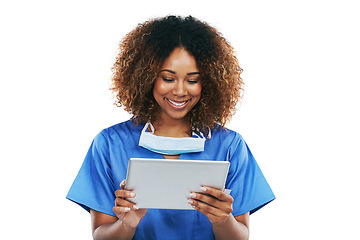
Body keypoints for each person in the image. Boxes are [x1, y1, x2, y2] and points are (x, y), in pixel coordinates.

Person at [67, 15, 275, 240]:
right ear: (145, 77)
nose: (180, 91)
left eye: (192, 80)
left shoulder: (229, 146)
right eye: (168, 78)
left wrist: (222, 219)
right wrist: (127, 225)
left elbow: (240, 236)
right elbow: (101, 235)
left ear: (209, 82)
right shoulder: (109, 144)